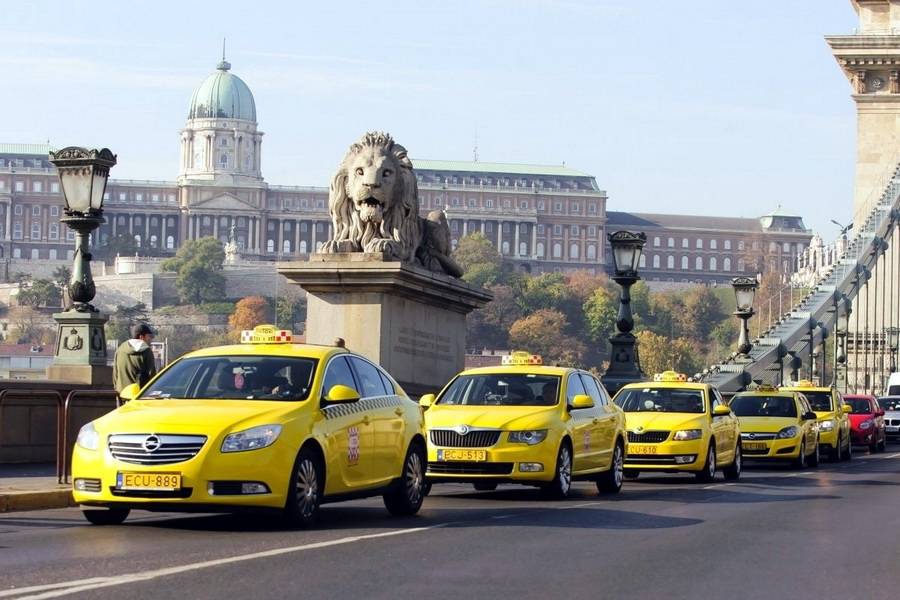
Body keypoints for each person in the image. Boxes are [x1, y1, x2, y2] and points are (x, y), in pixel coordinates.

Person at [113, 323, 158, 393]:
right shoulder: (146, 351)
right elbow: (152, 375)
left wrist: (117, 389)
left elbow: (115, 374)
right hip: (139, 395)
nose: (151, 339)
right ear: (141, 337)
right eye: (149, 336)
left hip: (122, 393)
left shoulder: (120, 349)